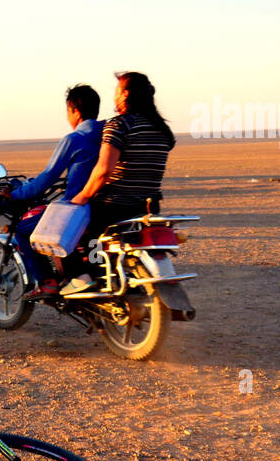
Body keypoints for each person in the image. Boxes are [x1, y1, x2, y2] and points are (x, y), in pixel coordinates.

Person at [63, 71, 175, 294]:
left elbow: (104, 170)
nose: (114, 97)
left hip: (114, 206)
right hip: (148, 207)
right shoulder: (163, 130)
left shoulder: (119, 126)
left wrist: (82, 196)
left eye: (116, 91)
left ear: (125, 95)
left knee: (66, 229)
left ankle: (83, 277)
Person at [10, 84, 103, 299]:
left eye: (67, 111)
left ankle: (47, 283)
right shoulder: (109, 134)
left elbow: (47, 178)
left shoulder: (74, 139)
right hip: (106, 204)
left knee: (24, 229)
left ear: (74, 111)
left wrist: (17, 194)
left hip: (78, 206)